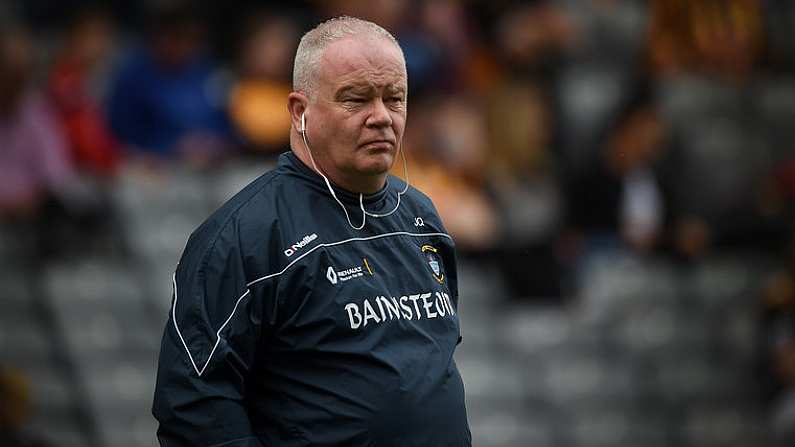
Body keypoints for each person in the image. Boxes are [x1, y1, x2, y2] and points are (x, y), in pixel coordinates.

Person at [152, 16, 472, 447]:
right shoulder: (245, 235)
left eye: (394, 98)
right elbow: (193, 404)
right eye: (357, 99)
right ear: (300, 111)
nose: (381, 117)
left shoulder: (422, 217)